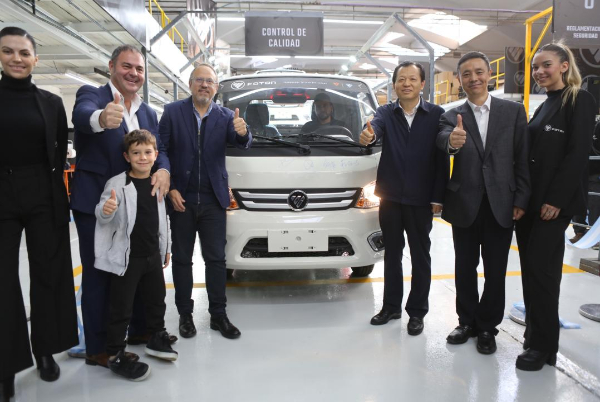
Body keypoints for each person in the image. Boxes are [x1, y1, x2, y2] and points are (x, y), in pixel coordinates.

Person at [71, 44, 174, 368]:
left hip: (137, 206)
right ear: (112, 66)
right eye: (127, 66)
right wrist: (102, 117)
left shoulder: (147, 112)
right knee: (102, 273)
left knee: (140, 267)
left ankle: (142, 330)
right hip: (97, 204)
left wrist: (164, 170)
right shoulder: (93, 95)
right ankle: (99, 348)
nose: (134, 73)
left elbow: (159, 149)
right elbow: (82, 117)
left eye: (139, 69)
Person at [0, 26, 78, 397]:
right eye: (8, 51)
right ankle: (6, 366)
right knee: (2, 281)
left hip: (43, 193)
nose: (16, 58)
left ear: (35, 58)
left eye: (24, 52)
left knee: (49, 272)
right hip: (1, 192)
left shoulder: (50, 102)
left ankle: (45, 350)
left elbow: (58, 150)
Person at [436, 51, 531, 355]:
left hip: (501, 203)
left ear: (489, 74)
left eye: (479, 72)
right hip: (464, 203)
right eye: (466, 74)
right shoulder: (451, 115)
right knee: (464, 268)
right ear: (459, 79)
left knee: (496, 270)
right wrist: (451, 142)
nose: (473, 78)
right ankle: (466, 322)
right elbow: (442, 139)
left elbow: (522, 158)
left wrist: (521, 198)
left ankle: (488, 326)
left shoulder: (513, 112)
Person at [515, 42, 597, 371]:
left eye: (546, 65)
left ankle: (543, 346)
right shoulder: (545, 104)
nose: (539, 72)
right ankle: (534, 335)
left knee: (543, 273)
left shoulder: (578, 99)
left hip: (552, 205)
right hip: (531, 204)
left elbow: (577, 154)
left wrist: (557, 200)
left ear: (564, 66)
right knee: (530, 271)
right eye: (535, 67)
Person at [158, 63, 252, 340]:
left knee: (216, 260)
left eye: (209, 81)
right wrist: (171, 187)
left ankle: (218, 315)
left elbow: (242, 142)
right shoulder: (172, 112)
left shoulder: (226, 116)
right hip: (181, 199)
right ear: (190, 83)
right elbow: (161, 149)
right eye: (199, 80)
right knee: (182, 260)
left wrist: (243, 132)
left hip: (213, 199)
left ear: (216, 87)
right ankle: (185, 315)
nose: (204, 85)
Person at [359, 61, 449, 335]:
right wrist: (369, 135)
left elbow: (442, 159)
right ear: (394, 85)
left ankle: (417, 312)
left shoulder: (436, 115)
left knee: (421, 256)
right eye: (401, 79)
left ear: (422, 84)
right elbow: (374, 129)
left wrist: (438, 196)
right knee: (392, 254)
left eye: (412, 79)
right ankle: (391, 307)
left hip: (421, 199)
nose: (406, 84)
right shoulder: (386, 112)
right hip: (391, 198)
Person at [95, 129, 177, 381]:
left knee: (157, 300)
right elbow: (102, 214)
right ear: (127, 156)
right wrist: (106, 209)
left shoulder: (157, 182)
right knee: (122, 307)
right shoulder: (117, 184)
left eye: (147, 152)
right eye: (136, 153)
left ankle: (157, 336)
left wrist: (166, 248)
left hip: (152, 255)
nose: (142, 157)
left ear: (155, 155)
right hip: (127, 259)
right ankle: (115, 353)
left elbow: (163, 219)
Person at [570, 119, 600, 245]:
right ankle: (579, 232)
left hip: (595, 172)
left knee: (595, 205)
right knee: (577, 203)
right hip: (581, 171)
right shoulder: (588, 123)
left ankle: (595, 238)